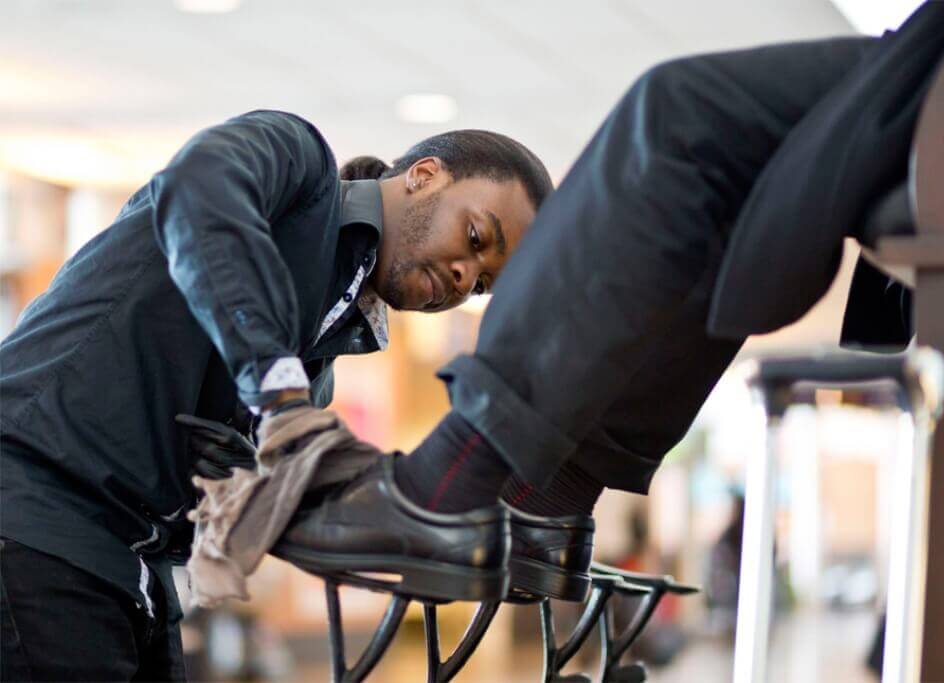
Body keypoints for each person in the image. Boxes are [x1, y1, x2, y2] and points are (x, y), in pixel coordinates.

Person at [275, 1, 944, 606]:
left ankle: (447, 483)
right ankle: (546, 502)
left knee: (676, 121)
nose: (464, 276)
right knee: (722, 185)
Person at [0, 110, 552, 681]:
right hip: (34, 516)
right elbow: (197, 189)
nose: (466, 278)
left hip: (129, 570)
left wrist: (236, 492)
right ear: (424, 175)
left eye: (483, 283)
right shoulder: (296, 163)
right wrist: (276, 392)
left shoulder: (322, 359)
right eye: (475, 238)